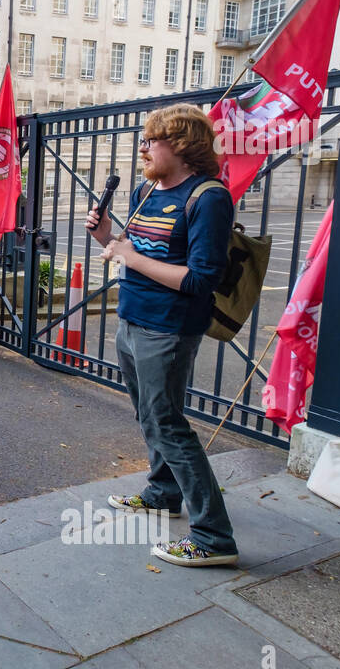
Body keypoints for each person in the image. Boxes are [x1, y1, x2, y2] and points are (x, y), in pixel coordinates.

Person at [86, 103, 239, 568]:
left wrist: (128, 255)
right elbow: (132, 249)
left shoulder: (208, 197)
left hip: (168, 329)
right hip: (132, 318)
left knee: (168, 424)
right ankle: (163, 491)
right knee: (149, 416)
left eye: (152, 140)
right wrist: (107, 236)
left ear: (182, 144)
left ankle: (213, 536)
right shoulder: (146, 189)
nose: (143, 147)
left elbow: (198, 280)